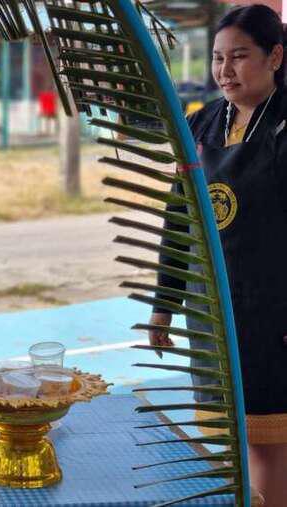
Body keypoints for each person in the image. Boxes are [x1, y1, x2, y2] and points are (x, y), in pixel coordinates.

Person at [147, 5, 287, 505]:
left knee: (271, 443)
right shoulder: (200, 125)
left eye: (240, 56)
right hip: (214, 312)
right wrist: (164, 304)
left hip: (275, 313)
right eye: (218, 58)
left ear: (275, 57)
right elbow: (179, 219)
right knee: (234, 439)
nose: (225, 70)